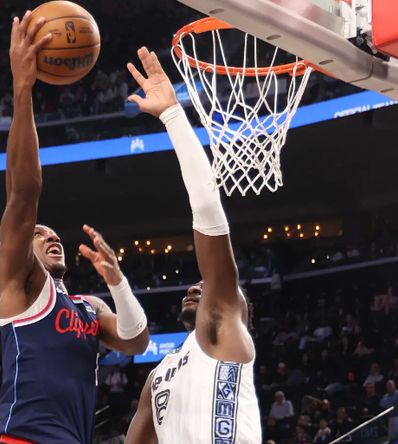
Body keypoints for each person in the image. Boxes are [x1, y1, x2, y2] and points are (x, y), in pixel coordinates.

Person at [0, 11, 149, 444]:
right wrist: (22, 89)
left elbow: (136, 342)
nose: (51, 236)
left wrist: (117, 281)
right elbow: (23, 194)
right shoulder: (22, 284)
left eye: (54, 234)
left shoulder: (89, 308)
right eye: (39, 234)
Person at [125, 47, 261, 443]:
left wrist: (172, 115)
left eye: (209, 287)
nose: (195, 287)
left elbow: (206, 208)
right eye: (196, 286)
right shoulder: (157, 377)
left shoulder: (223, 327)